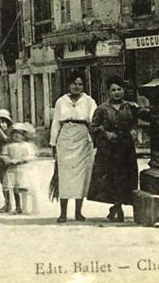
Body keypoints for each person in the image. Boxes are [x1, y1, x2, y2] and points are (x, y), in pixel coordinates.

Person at [88, 75, 147, 222]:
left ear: (124, 90)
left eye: (119, 89)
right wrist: (105, 133)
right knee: (112, 179)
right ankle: (117, 207)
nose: (117, 92)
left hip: (126, 148)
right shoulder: (102, 109)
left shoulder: (131, 107)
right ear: (108, 92)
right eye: (113, 90)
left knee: (127, 178)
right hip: (109, 150)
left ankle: (118, 206)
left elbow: (141, 118)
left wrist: (135, 129)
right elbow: (93, 127)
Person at [49, 70, 97, 223]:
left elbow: (94, 122)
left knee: (81, 177)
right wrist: (53, 143)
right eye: (74, 84)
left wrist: (94, 141)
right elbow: (56, 123)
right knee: (64, 176)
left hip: (83, 138)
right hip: (65, 138)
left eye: (80, 84)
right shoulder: (61, 101)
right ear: (69, 85)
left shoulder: (89, 102)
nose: (77, 87)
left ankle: (78, 212)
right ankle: (63, 213)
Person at [1, 122, 38, 215]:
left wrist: (21, 160)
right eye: (14, 133)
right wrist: (8, 160)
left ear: (23, 135)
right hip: (12, 170)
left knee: (25, 188)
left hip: (24, 169)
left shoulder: (26, 146)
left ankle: (27, 207)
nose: (16, 136)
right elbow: (3, 155)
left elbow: (31, 156)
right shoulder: (8, 146)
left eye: (19, 134)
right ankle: (18, 207)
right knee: (15, 189)